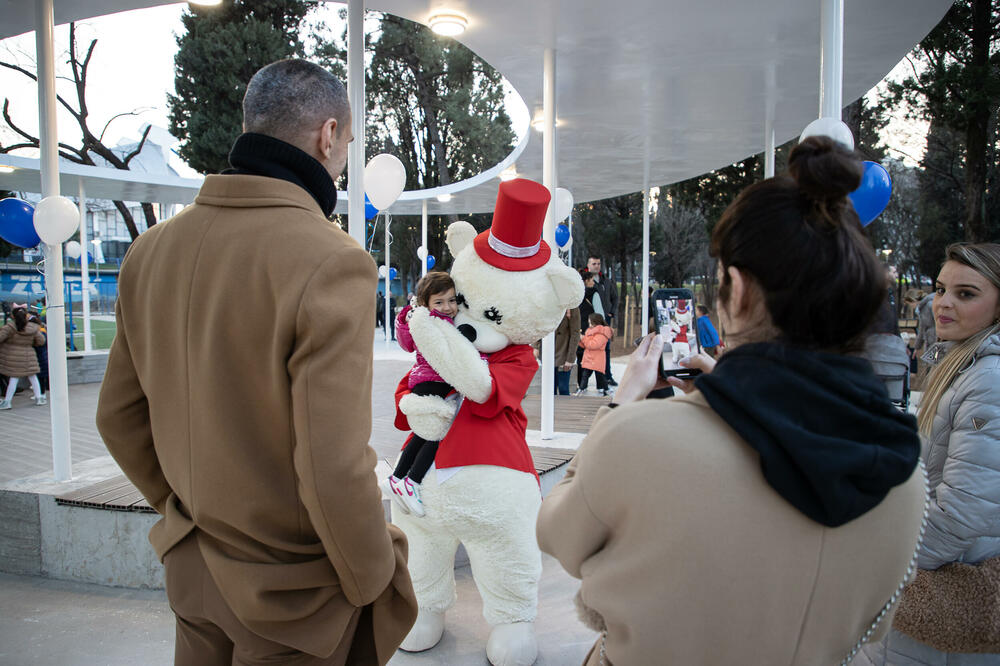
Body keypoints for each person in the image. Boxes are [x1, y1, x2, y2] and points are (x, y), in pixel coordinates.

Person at [537, 136, 927, 665]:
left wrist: (618, 408)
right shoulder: (903, 468)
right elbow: (874, 622)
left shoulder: (637, 437)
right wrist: (736, 402)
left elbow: (557, 534)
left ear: (737, 289)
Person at [96, 59, 417, 665]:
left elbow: (117, 417)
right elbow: (332, 465)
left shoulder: (150, 250)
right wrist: (376, 576)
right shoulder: (332, 260)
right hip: (292, 595)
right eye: (348, 144)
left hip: (193, 567)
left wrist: (188, 516)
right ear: (328, 135)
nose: (344, 160)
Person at [857, 242, 1000, 665]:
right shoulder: (962, 364)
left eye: (966, 293)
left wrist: (887, 567)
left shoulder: (988, 379)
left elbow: (962, 512)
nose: (943, 303)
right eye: (940, 290)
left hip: (948, 587)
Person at [383, 271, 468, 516]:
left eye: (452, 300)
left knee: (422, 434)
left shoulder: (434, 319)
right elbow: (412, 344)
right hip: (433, 382)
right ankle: (413, 481)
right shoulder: (433, 322)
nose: (447, 307)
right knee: (438, 434)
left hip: (426, 383)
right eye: (439, 302)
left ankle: (396, 478)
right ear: (426, 304)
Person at [0, 303, 47, 409]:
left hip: (13, 357)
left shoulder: (9, 328)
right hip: (29, 355)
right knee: (33, 376)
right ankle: (39, 398)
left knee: (14, 378)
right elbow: (41, 341)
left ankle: (7, 402)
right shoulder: (33, 328)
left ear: (13, 316)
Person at [586, 256, 618, 386]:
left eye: (598, 263)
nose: (596, 266)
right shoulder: (585, 281)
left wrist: (611, 312)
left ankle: (607, 376)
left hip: (604, 321)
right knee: (587, 349)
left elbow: (615, 297)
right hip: (589, 321)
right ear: (588, 265)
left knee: (605, 349)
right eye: (594, 263)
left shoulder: (606, 282)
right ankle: (583, 379)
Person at [576, 313, 613, 397]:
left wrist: (583, 338)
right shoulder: (590, 332)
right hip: (590, 358)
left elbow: (593, 345)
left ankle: (606, 389)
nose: (589, 325)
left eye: (590, 323)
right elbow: (586, 345)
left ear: (595, 322)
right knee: (585, 375)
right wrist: (580, 340)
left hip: (597, 359)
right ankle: (582, 389)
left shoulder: (602, 333)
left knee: (600, 375)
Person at [576, 270, 596, 390]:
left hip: (581, 330)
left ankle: (581, 383)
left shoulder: (577, 294)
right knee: (588, 359)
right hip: (588, 330)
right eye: (592, 280)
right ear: (586, 281)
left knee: (582, 358)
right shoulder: (592, 294)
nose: (593, 283)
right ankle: (582, 383)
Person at [554, 307, 581, 395]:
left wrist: (570, 359)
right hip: (547, 353)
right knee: (549, 389)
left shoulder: (572, 307)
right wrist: (536, 347)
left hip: (563, 353)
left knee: (563, 388)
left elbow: (575, 333)